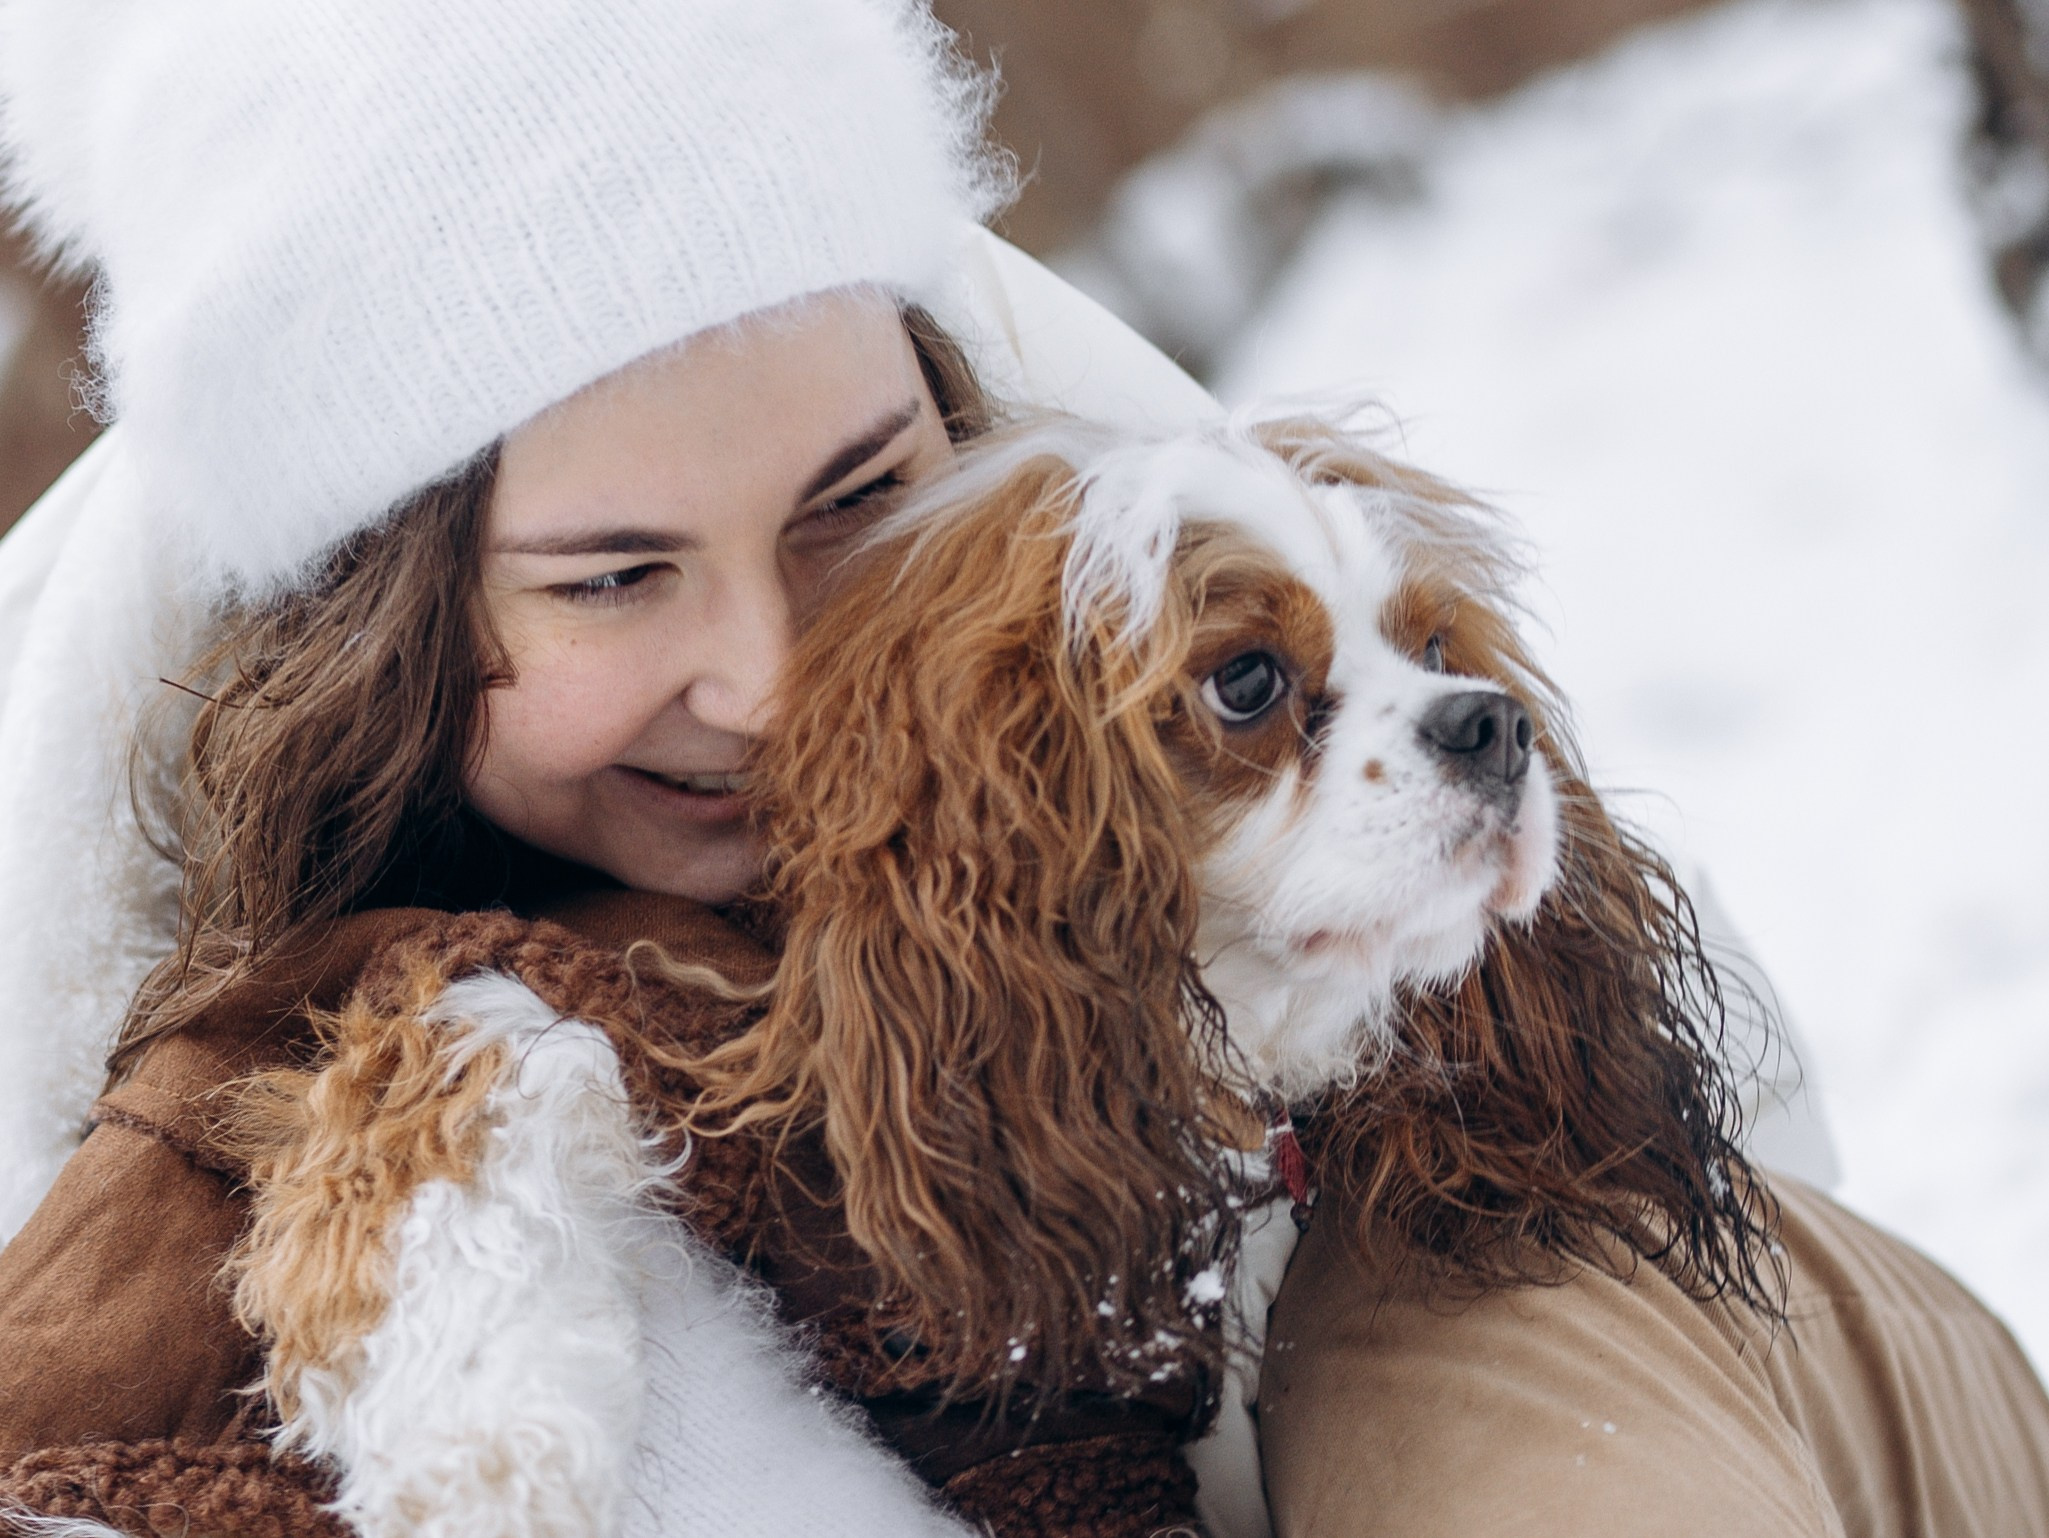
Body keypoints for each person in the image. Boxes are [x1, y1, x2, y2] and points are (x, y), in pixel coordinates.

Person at [0, 2, 2041, 1536]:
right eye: (615, 577)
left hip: (1740, 1403)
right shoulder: (264, 1025)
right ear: (396, 644)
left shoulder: (1172, 552)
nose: (782, 672)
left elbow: (1681, 1153)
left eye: (860, 498)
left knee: (1447, 1297)